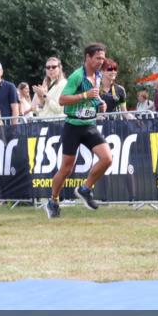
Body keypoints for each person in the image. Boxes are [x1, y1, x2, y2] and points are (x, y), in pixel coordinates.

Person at [45, 43, 112, 219]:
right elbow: (62, 100)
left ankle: (85, 189)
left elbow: (93, 94)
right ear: (88, 58)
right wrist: (84, 96)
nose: (101, 61)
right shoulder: (76, 76)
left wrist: (99, 102)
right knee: (66, 168)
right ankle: (53, 200)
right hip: (73, 126)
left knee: (107, 159)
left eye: (103, 58)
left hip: (89, 125)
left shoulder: (97, 74)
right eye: (98, 58)